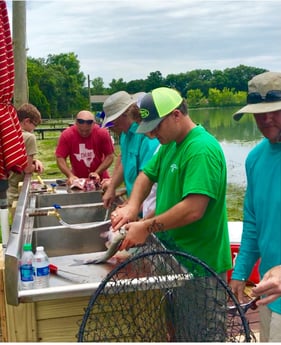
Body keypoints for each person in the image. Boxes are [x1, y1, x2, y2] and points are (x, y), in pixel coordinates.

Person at [229, 71, 281, 342]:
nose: (266, 119)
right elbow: (252, 223)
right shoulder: (255, 158)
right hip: (268, 293)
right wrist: (240, 272)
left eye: (274, 110)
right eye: (259, 113)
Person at [101, 91, 160, 218]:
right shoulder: (124, 135)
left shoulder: (147, 136)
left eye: (112, 121)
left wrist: (130, 205)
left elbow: (147, 176)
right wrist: (112, 188)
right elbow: (125, 161)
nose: (111, 126)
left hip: (148, 207)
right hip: (135, 206)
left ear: (124, 114)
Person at [55, 110, 114, 186]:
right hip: (77, 181)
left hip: (101, 180)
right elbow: (60, 157)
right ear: (76, 123)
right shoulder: (67, 135)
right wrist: (70, 175)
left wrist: (97, 172)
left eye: (87, 130)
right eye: (81, 130)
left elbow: (110, 156)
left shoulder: (102, 133)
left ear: (93, 124)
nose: (84, 133)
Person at [7, 103, 44, 207]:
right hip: (15, 192)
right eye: (34, 125)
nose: (34, 129)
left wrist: (34, 161)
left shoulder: (8, 133)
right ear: (27, 121)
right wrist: (36, 167)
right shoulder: (29, 137)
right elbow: (27, 169)